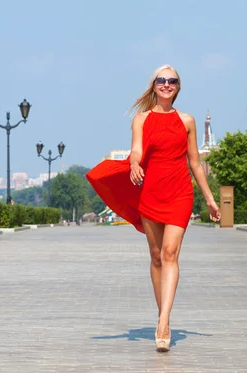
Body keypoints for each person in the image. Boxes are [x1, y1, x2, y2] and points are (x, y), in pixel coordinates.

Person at [86, 64, 221, 352]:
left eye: (172, 80)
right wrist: (135, 162)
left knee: (170, 252)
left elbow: (195, 162)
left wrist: (209, 198)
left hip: (180, 192)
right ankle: (164, 315)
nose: (166, 84)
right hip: (151, 191)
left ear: (178, 87)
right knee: (157, 256)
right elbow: (136, 149)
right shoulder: (141, 120)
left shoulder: (187, 121)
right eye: (162, 80)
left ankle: (163, 323)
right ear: (154, 85)